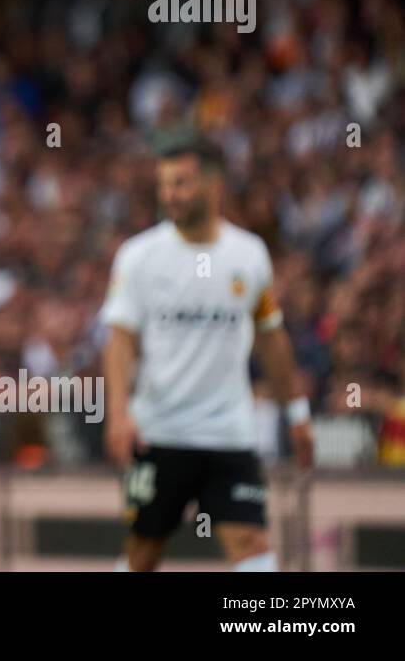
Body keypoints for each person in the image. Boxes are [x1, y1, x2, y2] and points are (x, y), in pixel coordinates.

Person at [102, 136, 315, 571]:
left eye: (180, 183)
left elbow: (272, 339)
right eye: (163, 185)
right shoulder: (139, 256)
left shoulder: (249, 255)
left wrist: (297, 414)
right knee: (143, 552)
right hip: (159, 432)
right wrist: (119, 414)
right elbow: (120, 340)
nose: (169, 195)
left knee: (251, 542)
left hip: (229, 434)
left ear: (214, 185)